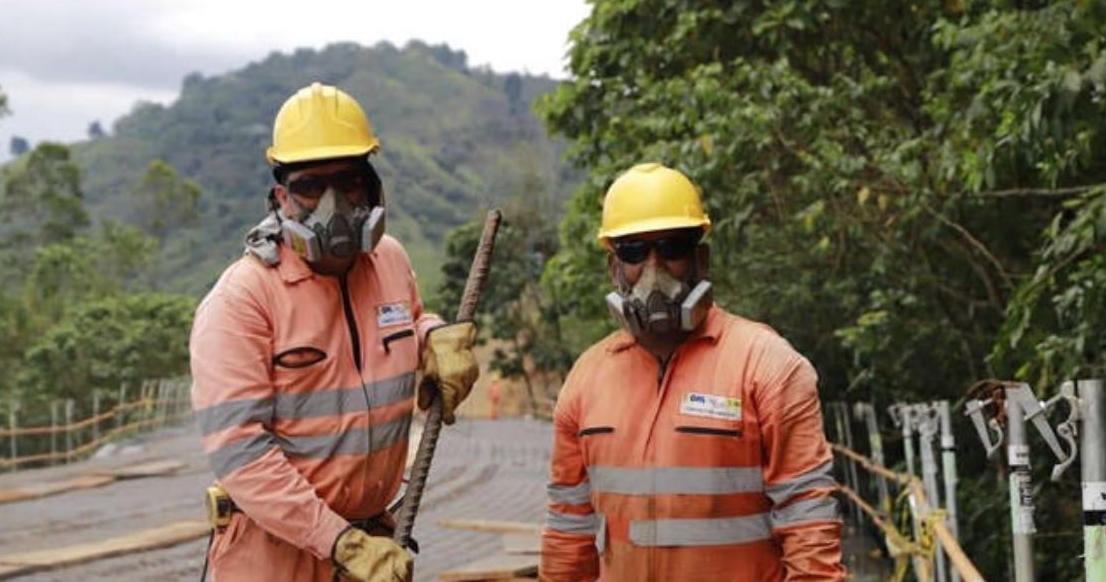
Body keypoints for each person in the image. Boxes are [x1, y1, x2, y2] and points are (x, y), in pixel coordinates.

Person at [190, 82, 479, 582]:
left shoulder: (391, 261)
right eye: (310, 186)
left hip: (373, 546)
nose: (333, 203)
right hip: (278, 556)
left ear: (371, 187)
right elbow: (242, 454)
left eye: (348, 181)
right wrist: (338, 541)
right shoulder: (243, 300)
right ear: (282, 197)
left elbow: (404, 323)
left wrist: (433, 337)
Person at [540, 163, 845, 581]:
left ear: (700, 258)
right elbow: (568, 530)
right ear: (614, 267)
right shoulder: (587, 379)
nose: (653, 269)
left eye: (672, 248)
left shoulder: (767, 366)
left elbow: (809, 523)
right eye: (634, 251)